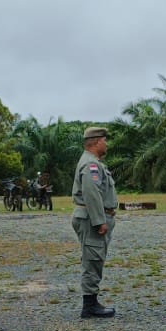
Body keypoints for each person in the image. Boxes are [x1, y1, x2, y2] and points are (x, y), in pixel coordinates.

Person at [71, 126, 119, 318]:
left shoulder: (93, 163)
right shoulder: (90, 165)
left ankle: (92, 301)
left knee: (95, 258)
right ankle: (89, 306)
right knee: (93, 259)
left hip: (92, 217)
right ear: (97, 141)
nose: (106, 144)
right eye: (105, 140)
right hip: (91, 219)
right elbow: (92, 194)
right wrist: (100, 221)